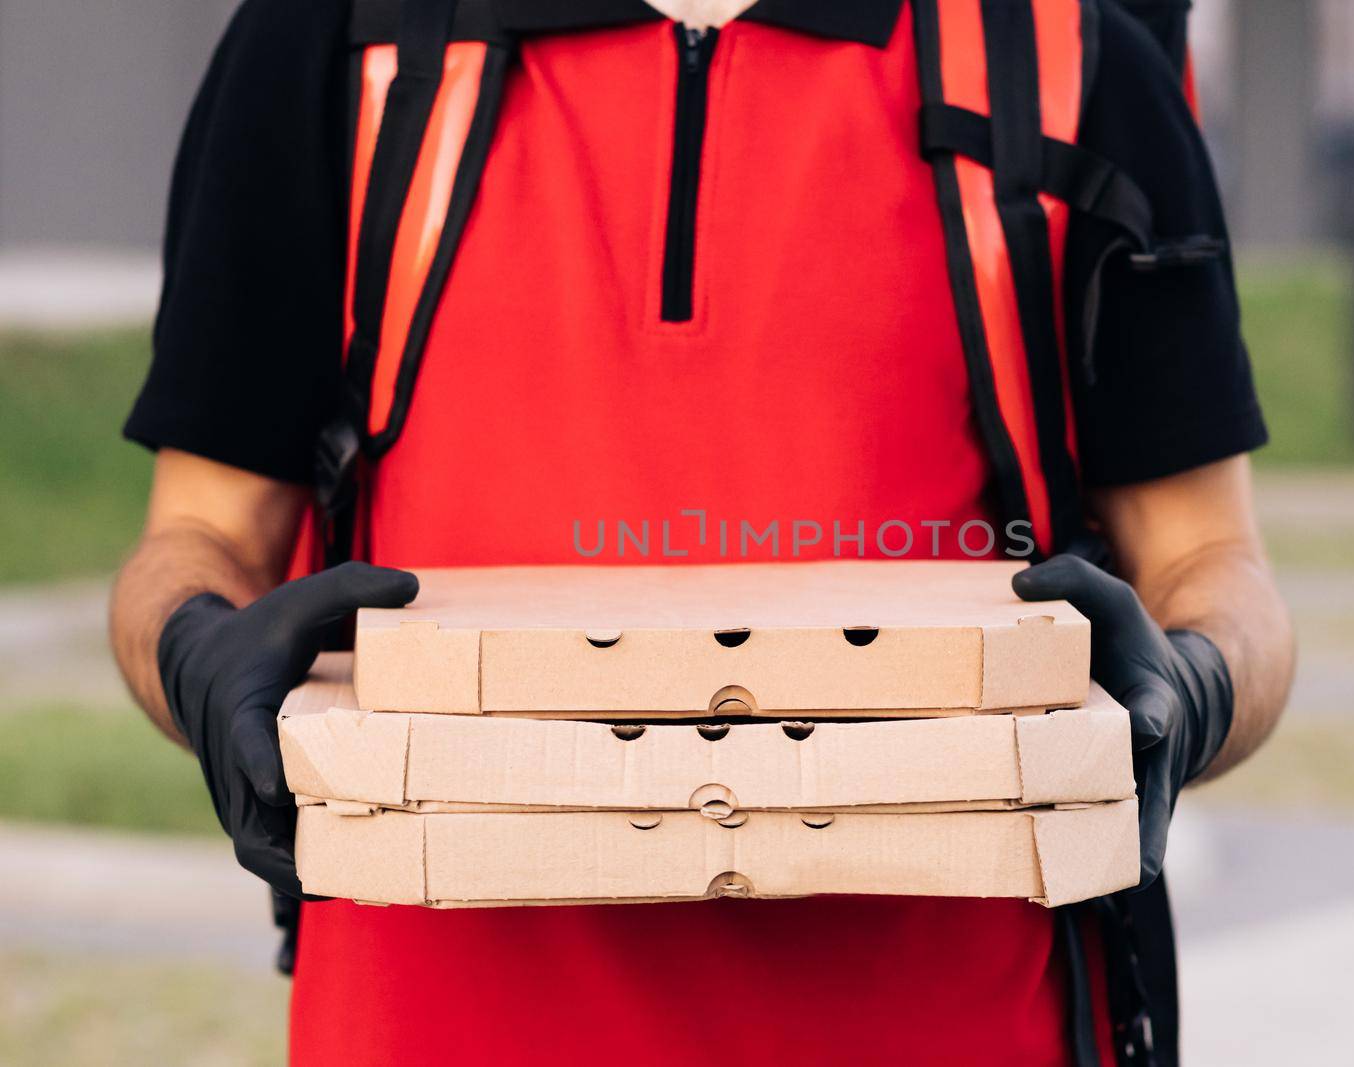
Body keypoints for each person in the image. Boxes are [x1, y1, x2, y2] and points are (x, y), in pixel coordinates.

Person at [110, 0, 1294, 1063]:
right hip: (427, 1021)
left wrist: (1190, 688)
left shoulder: (1063, 53)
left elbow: (1210, 566)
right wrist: (193, 650)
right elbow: (201, 535)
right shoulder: (344, 41)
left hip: (956, 1017)